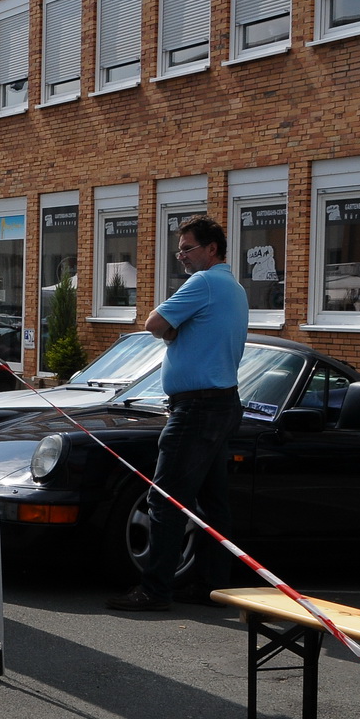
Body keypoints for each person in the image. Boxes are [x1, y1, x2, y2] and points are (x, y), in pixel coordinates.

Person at [107, 215, 248, 612]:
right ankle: (210, 584)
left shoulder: (203, 283)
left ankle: (154, 590)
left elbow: (154, 324)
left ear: (211, 249)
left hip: (197, 407)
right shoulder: (234, 288)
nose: (181, 256)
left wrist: (172, 331)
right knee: (212, 502)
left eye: (187, 248)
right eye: (179, 249)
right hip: (221, 403)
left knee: (165, 499)